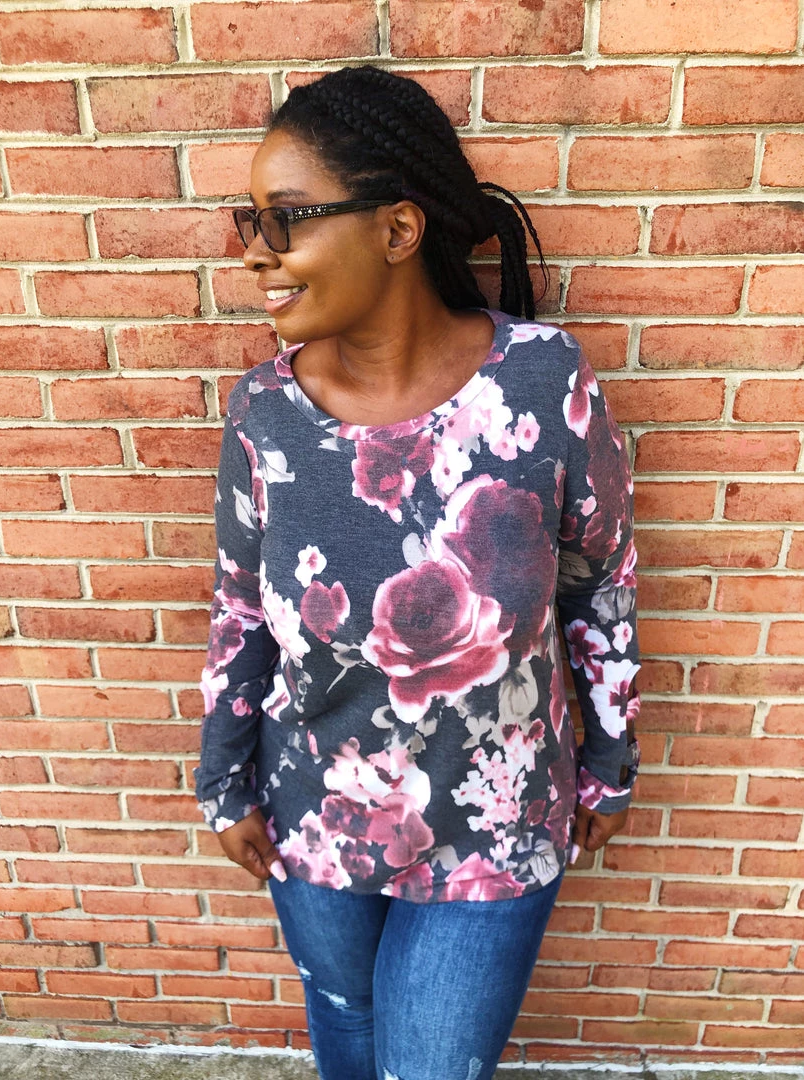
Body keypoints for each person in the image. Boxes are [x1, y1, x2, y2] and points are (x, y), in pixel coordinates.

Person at [195, 65, 640, 1080]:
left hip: (496, 819)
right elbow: (240, 612)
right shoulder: (264, 414)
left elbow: (600, 582)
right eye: (250, 221)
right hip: (316, 812)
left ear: (397, 229)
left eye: (285, 218)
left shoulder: (543, 382)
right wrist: (224, 781)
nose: (257, 251)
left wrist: (611, 762)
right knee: (347, 1030)